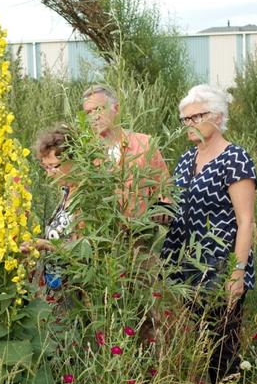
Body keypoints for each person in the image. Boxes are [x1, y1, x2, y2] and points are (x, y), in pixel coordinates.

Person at [160, 85, 257, 384]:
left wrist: (237, 273)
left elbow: (245, 221)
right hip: (187, 266)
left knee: (223, 345)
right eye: (184, 118)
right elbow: (178, 209)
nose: (188, 123)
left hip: (220, 266)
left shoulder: (235, 158)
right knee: (196, 341)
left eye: (195, 117)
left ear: (217, 116)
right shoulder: (187, 159)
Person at [81, 83, 169, 217]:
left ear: (116, 108)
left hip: (138, 234)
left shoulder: (144, 144)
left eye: (98, 109)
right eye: (88, 112)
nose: (94, 117)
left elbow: (164, 189)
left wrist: (163, 211)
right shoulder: (86, 154)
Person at [32, 126, 80, 291]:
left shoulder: (86, 198)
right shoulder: (66, 192)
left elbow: (81, 250)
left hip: (76, 291)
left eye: (54, 166)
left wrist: (44, 244)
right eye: (45, 167)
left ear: (73, 160)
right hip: (58, 288)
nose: (49, 173)